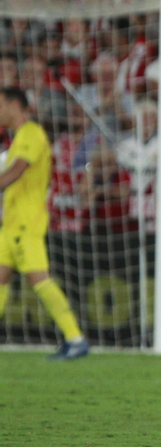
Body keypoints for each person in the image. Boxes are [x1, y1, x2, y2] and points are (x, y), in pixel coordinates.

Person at [0, 88, 87, 359]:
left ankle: (75, 338)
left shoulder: (31, 133)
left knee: (39, 279)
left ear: (15, 105)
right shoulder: (19, 137)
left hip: (27, 222)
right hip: (11, 222)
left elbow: (17, 171)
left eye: (0, 104)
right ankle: (75, 339)